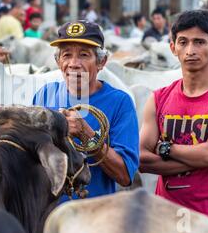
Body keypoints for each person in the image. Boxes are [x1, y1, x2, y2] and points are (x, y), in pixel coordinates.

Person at [139, 10, 208, 233]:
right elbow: (141, 160)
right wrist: (201, 157)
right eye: (183, 42)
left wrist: (165, 148)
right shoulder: (158, 99)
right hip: (164, 220)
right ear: (172, 48)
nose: (190, 50)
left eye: (199, 42)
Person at [32, 20, 139, 201]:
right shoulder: (44, 95)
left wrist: (86, 134)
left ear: (101, 61)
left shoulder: (120, 102)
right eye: (66, 55)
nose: (74, 63)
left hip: (93, 216)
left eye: (83, 55)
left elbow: (124, 175)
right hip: (48, 216)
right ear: (58, 62)